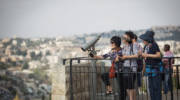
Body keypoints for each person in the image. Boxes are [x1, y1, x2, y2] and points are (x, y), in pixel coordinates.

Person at [140, 30, 163, 100]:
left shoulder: (154, 45)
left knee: (156, 88)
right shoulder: (146, 47)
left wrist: (146, 55)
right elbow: (146, 58)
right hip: (149, 70)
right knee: (151, 88)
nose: (143, 40)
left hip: (155, 70)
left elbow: (159, 55)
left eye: (144, 39)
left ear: (148, 39)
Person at [120, 31, 139, 100]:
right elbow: (123, 56)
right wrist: (121, 58)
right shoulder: (124, 46)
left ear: (129, 38)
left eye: (125, 37)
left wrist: (126, 57)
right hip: (125, 68)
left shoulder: (134, 45)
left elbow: (137, 55)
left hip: (132, 68)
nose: (124, 38)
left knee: (130, 86)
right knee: (127, 87)